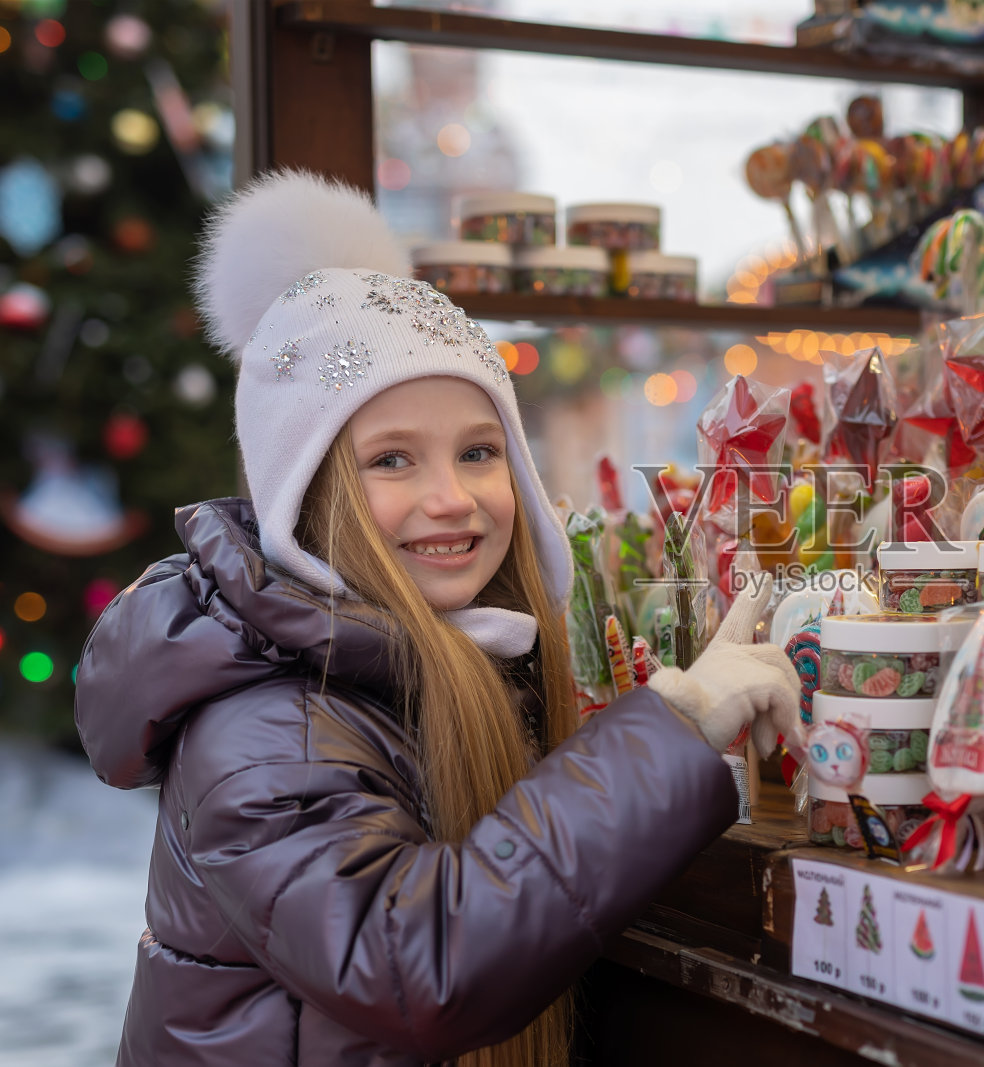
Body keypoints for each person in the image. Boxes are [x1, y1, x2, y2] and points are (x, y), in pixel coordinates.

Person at [74, 171, 803, 1067]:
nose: (451, 499)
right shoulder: (265, 724)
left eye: (478, 450)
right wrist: (673, 730)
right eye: (392, 459)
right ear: (308, 498)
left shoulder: (466, 658)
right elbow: (411, 964)